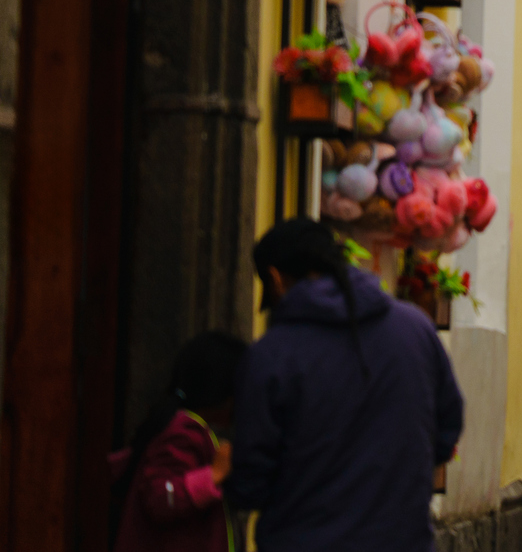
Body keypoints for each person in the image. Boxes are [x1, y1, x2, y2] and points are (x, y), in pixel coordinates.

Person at [225, 218, 464, 551]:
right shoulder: (416, 329)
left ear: (276, 278)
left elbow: (252, 481)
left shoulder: (272, 356)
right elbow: (447, 429)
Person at [109, 330, 248, 552]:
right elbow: (159, 499)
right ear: (225, 393)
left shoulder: (194, 430)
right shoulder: (182, 433)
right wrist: (213, 476)